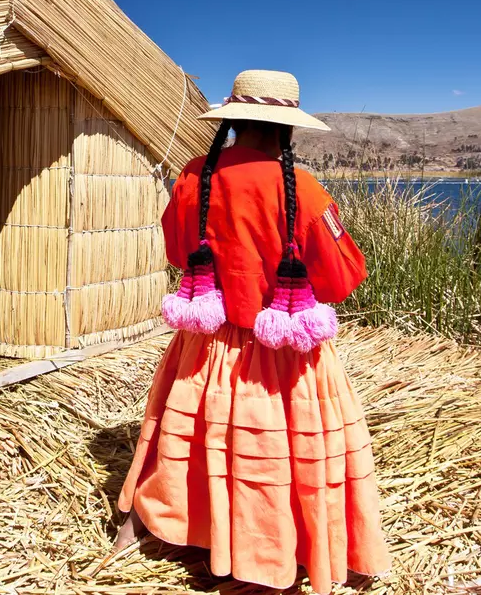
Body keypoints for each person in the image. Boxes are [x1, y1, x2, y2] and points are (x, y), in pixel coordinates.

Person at [113, 70, 391, 593]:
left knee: (197, 439)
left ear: (234, 121)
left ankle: (185, 527)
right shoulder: (305, 192)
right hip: (282, 357)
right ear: (288, 130)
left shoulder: (195, 177)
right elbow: (340, 279)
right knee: (270, 458)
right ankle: (271, 557)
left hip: (206, 347)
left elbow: (178, 254)